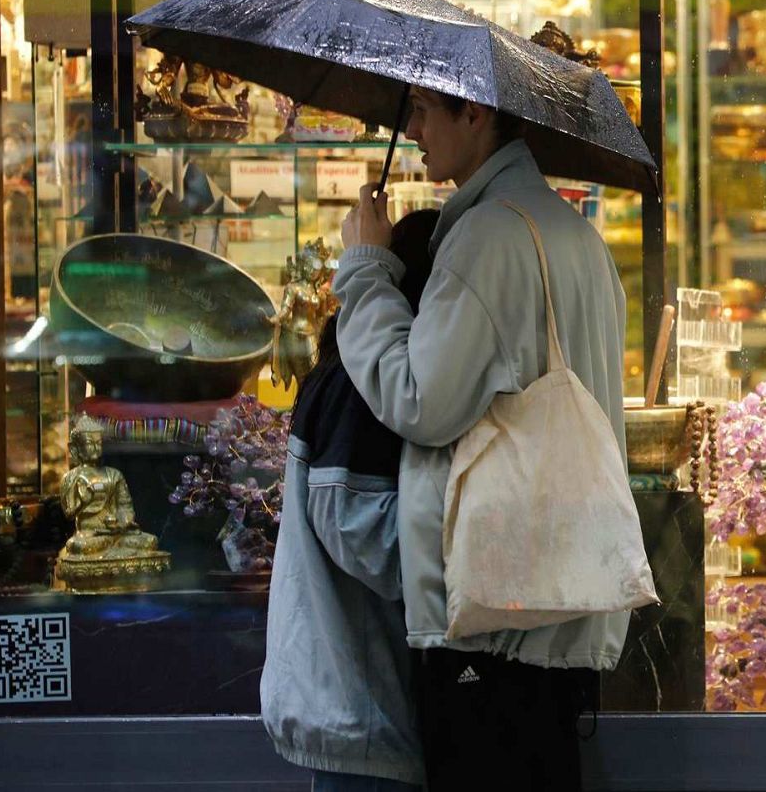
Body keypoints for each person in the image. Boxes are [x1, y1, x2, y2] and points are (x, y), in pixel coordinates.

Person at [332, 87, 629, 792]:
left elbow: (420, 401)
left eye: (426, 110)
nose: (413, 127)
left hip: (489, 618)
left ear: (476, 113)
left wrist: (368, 269)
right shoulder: (574, 233)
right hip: (557, 604)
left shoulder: (488, 237)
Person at [261, 209, 441, 792]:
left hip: (357, 711)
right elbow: (357, 526)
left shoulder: (353, 369)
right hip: (363, 714)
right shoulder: (362, 387)